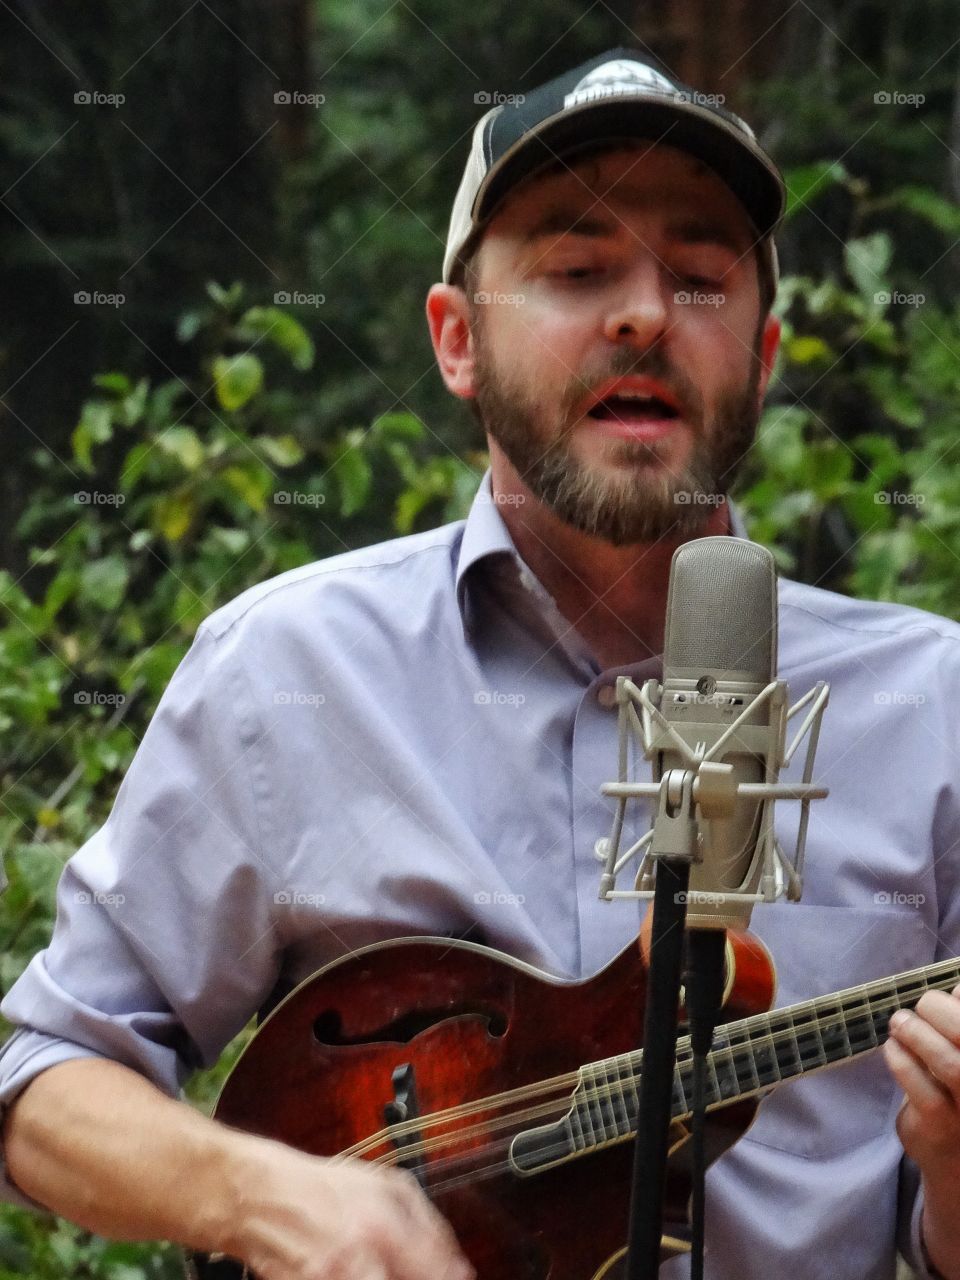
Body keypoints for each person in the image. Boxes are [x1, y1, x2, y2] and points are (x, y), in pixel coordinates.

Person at [1, 47, 959, 1280]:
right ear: (457, 342)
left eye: (702, 276)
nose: (644, 314)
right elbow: (40, 1083)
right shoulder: (289, 669)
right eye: (574, 267)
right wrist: (261, 1197)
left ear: (764, 356)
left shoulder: (930, 709)